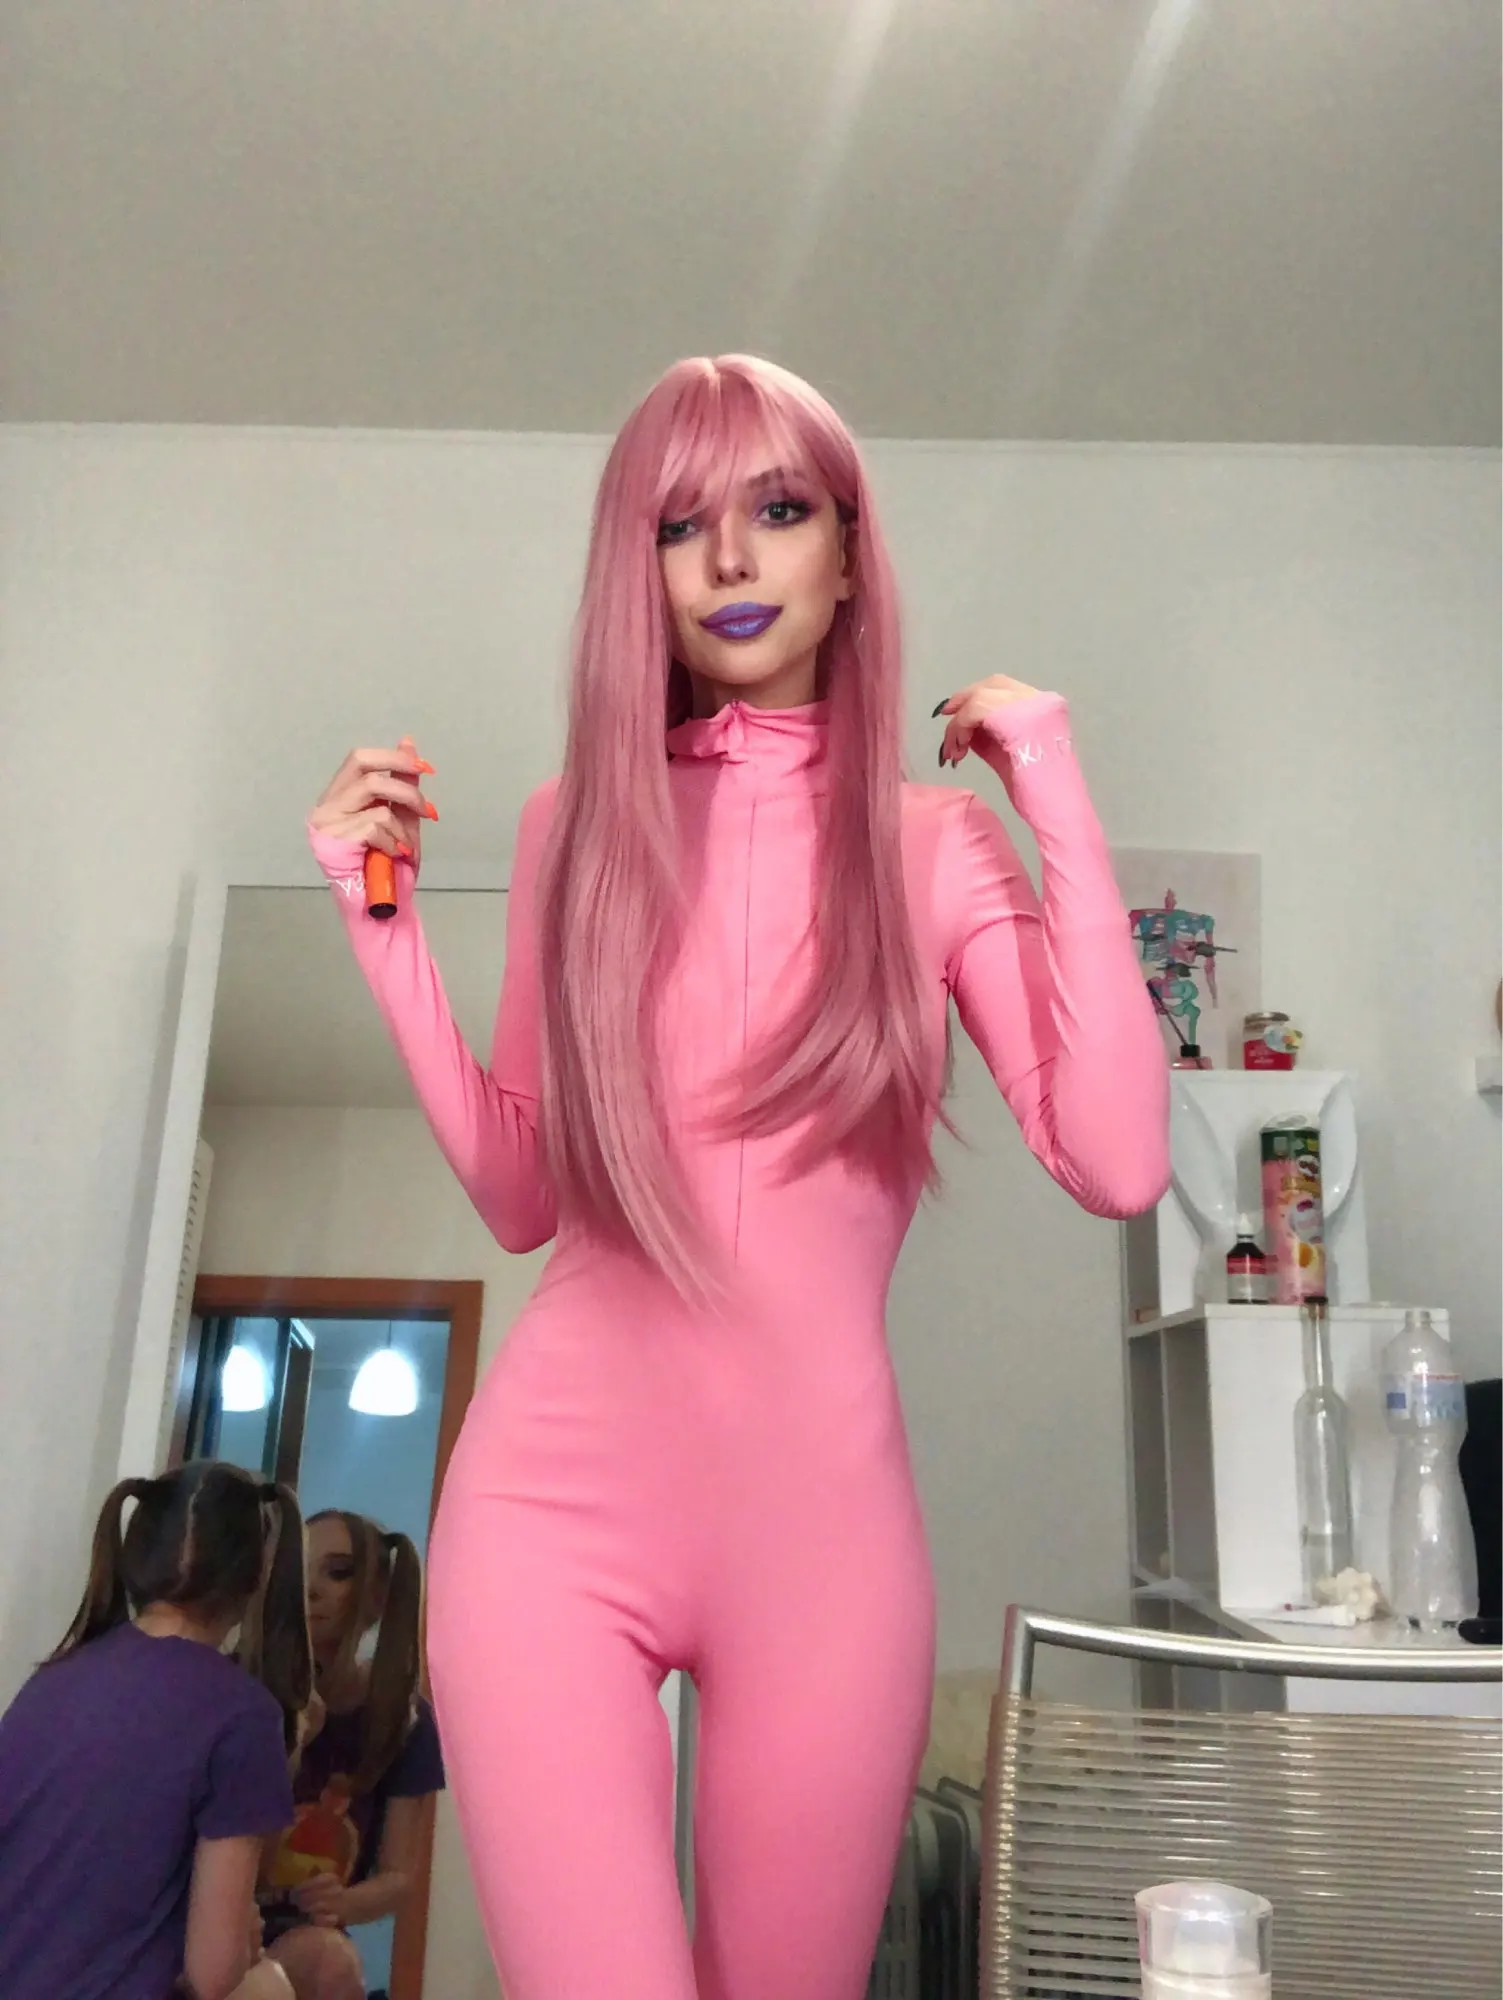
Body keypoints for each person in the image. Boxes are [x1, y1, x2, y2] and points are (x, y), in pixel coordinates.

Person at [307, 354, 1170, 2000]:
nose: (726, 559)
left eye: (775, 511)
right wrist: (382, 920)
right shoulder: (574, 825)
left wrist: (1050, 784)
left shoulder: (930, 846)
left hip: (822, 1546)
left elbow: (1118, 1159)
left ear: (847, 552)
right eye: (675, 524)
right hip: (549, 1517)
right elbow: (521, 1192)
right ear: (630, 572)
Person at [0, 1462, 311, 2000]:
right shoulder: (243, 1714)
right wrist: (243, 1937)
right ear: (258, 1573)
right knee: (273, 1987)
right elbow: (213, 1974)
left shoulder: (50, 1681)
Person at [259, 1510, 443, 2000]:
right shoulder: (246, 1690)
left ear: (377, 1599)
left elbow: (398, 1875)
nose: (312, 1589)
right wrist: (290, 1749)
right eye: (301, 1568)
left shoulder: (403, 1720)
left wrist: (343, 1903)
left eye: (337, 1572)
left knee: (330, 1962)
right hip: (219, 1921)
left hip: (310, 1938)